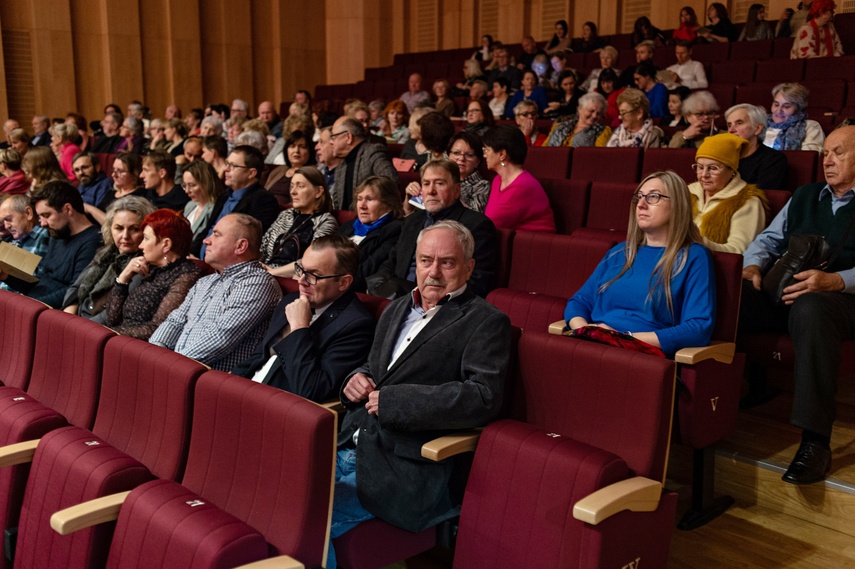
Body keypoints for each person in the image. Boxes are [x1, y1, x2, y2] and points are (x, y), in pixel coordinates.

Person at [328, 221, 511, 568]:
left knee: (309, 521)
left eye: (447, 262)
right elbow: (375, 368)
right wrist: (356, 380)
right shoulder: (396, 308)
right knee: (277, 499)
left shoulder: (486, 321)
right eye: (426, 260)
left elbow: (483, 397)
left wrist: (396, 402)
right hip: (348, 444)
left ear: (468, 267)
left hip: (403, 468)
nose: (434, 272)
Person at [738, 125, 855, 485]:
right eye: (825, 153)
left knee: (812, 307)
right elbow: (768, 239)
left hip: (844, 301)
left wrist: (836, 280)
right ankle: (712, 400)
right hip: (789, 291)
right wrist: (752, 265)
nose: (827, 161)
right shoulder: (806, 195)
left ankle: (815, 442)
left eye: (838, 153)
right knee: (732, 294)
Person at [564, 170, 716, 358]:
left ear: (677, 205)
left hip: (640, 357)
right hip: (594, 346)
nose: (642, 204)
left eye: (653, 197)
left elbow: (698, 327)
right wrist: (586, 331)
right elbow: (579, 302)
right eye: (639, 197)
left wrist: (622, 338)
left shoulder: (693, 256)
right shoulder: (619, 252)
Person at [232, 234, 375, 401]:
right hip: (246, 391)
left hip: (278, 405)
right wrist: (228, 380)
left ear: (343, 282)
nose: (301, 281)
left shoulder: (356, 325)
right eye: (300, 270)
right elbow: (259, 357)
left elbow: (310, 390)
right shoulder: (291, 301)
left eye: (313, 275)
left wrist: (299, 328)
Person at [149, 213, 282, 371]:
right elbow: (175, 321)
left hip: (209, 379)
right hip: (178, 369)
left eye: (216, 235)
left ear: (240, 246)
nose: (206, 240)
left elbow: (221, 337)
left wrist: (169, 366)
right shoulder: (205, 282)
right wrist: (153, 356)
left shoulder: (256, 283)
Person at [367, 159, 498, 299]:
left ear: (456, 190)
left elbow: (477, 282)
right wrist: (377, 285)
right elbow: (391, 263)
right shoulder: (412, 221)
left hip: (439, 304)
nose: (431, 191)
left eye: (440, 183)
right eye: (426, 184)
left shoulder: (477, 225)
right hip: (397, 298)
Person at [0, 181, 102, 308]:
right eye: (40, 217)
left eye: (46, 215)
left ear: (68, 209)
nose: (43, 223)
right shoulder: (57, 234)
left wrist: (29, 303)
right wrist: (6, 276)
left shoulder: (93, 241)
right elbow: (41, 283)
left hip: (49, 311)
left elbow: (74, 291)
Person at [105, 210, 202, 340]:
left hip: (138, 347)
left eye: (146, 238)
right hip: (119, 340)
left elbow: (157, 329)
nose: (140, 246)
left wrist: (107, 333)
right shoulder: (149, 267)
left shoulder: (186, 275)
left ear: (166, 244)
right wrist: (123, 278)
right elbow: (112, 319)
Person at [62, 196, 155, 321]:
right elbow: (76, 288)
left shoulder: (143, 265)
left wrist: (76, 326)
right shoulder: (106, 252)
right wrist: (68, 318)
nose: (125, 236)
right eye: (119, 228)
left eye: (135, 229)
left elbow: (110, 315)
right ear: (110, 228)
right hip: (76, 320)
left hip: (94, 327)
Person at [192, 145, 280, 257]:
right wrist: (191, 254)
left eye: (233, 166)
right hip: (201, 259)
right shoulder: (225, 195)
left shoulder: (263, 200)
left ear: (251, 173)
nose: (226, 169)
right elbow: (207, 229)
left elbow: (251, 243)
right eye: (227, 164)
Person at [689, 133, 769, 253]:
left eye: (713, 168)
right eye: (700, 167)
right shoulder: (687, 191)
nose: (704, 174)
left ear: (731, 170)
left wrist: (700, 242)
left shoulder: (747, 201)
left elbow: (738, 251)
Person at [260, 166, 338, 278]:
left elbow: (314, 260)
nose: (293, 192)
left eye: (300, 186)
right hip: (266, 273)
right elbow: (263, 248)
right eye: (292, 186)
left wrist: (273, 272)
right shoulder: (286, 215)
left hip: (293, 278)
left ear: (318, 192)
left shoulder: (325, 221)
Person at [482, 125, 555, 233]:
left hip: (535, 242)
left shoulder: (523, 185)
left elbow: (491, 223)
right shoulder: (498, 179)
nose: (484, 155)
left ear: (502, 154)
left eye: (487, 150)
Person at [337, 177, 403, 293]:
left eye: (370, 199)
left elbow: (366, 271)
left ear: (388, 205)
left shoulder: (394, 230)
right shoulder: (348, 226)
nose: (362, 206)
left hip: (349, 290)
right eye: (359, 199)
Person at [330, 116, 398, 210]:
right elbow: (337, 203)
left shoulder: (373, 152)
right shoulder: (342, 164)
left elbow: (391, 181)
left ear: (348, 137)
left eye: (334, 137)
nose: (331, 142)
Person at [725, 103, 789, 190]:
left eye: (739, 123)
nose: (731, 130)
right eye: (729, 125)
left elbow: (762, 194)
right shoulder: (723, 157)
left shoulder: (774, 159)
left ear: (758, 129)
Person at [85, 152, 146, 225]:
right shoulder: (112, 192)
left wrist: (90, 209)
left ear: (135, 173)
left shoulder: (138, 196)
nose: (113, 175)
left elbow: (115, 225)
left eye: (120, 171)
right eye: (113, 170)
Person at [764, 82, 825, 152]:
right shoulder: (760, 125)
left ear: (798, 108)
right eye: (776, 105)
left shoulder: (810, 127)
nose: (778, 111)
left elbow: (808, 156)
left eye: (786, 106)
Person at [265, 130, 316, 207]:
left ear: (310, 151)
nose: (296, 151)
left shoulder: (312, 173)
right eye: (292, 146)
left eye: (302, 147)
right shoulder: (279, 170)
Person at [546, 92, 612, 147]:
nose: (594, 116)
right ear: (580, 109)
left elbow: (599, 154)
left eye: (598, 113)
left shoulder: (603, 131)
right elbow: (544, 149)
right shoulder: (559, 127)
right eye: (591, 111)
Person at [182, 160, 223, 241]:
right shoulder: (190, 205)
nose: (187, 190)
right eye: (184, 185)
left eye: (192, 185)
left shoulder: (215, 210)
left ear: (207, 183)